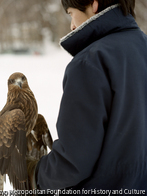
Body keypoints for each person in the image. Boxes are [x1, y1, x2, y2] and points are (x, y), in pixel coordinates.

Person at [27, 0, 147, 193]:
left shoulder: (90, 62)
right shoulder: (142, 47)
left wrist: (34, 173)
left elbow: (73, 161)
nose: (72, 26)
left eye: (71, 13)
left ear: (94, 5)